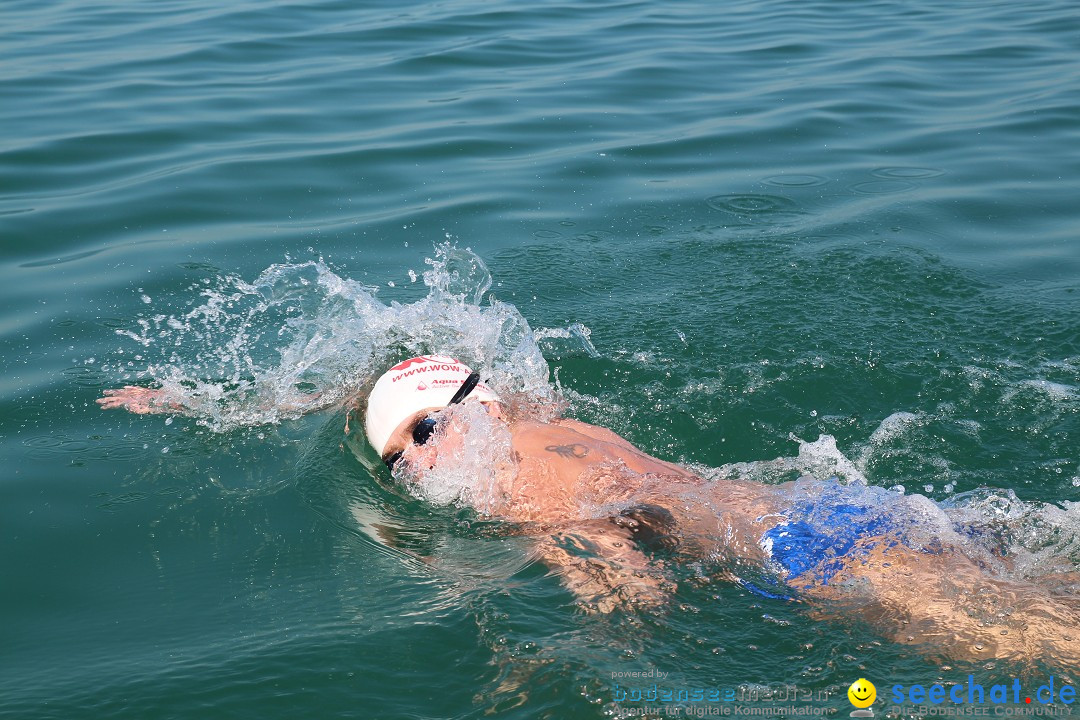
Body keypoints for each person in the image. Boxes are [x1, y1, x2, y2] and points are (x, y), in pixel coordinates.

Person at [99, 354, 1080, 665]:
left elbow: (634, 593)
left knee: (1041, 643)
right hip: (829, 502)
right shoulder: (536, 419)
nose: (411, 462)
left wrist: (566, 648)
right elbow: (384, 382)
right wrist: (209, 403)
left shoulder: (526, 500)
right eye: (402, 453)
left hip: (802, 556)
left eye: (413, 446)